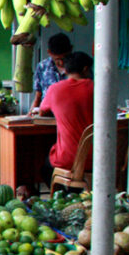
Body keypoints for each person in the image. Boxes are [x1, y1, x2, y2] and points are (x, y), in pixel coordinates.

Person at [37, 51, 94, 187]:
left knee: (44, 168)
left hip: (66, 159)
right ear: (86, 69)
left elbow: (42, 112)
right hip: (97, 157)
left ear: (65, 69)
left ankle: (64, 194)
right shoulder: (96, 88)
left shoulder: (55, 89)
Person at [29, 33, 73, 115]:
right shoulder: (42, 67)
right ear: (49, 52)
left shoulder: (78, 67)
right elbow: (38, 96)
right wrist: (30, 114)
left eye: (64, 57)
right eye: (57, 59)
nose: (61, 62)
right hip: (47, 115)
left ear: (71, 49)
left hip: (70, 115)